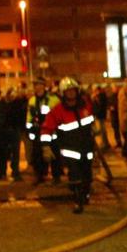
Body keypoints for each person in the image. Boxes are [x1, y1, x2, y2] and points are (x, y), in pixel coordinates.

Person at [41, 77, 96, 213]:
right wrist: (46, 146)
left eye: (73, 91)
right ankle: (77, 201)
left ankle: (86, 194)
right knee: (75, 176)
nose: (71, 94)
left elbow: (91, 119)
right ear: (63, 93)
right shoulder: (57, 111)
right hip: (70, 150)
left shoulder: (85, 105)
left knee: (87, 175)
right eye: (68, 91)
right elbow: (47, 128)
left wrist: (94, 128)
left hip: (87, 148)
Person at [27, 78, 62, 183]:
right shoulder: (32, 100)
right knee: (37, 154)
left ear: (43, 86)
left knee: (54, 152)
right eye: (36, 85)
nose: (37, 87)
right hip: (38, 130)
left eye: (39, 84)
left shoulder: (53, 99)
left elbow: (59, 113)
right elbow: (29, 116)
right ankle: (40, 175)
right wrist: (29, 129)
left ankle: (56, 176)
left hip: (52, 130)